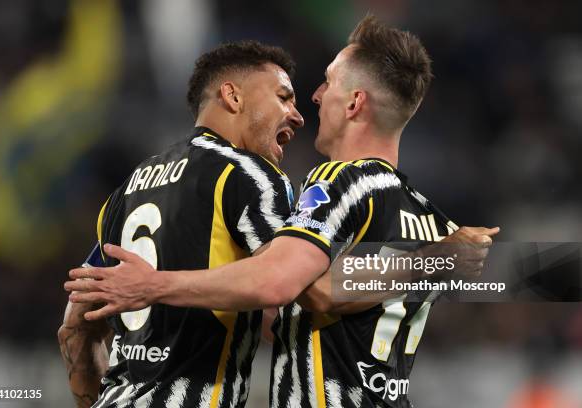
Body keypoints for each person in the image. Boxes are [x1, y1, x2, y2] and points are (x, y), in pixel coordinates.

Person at [67, 16, 499, 407]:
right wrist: (439, 261)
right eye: (283, 95)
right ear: (232, 96)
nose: (308, 101)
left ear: (354, 105)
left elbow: (296, 286)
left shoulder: (337, 181)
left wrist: (153, 289)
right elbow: (300, 301)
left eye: (325, 83)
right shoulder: (435, 220)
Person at [58, 40, 304, 408]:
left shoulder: (125, 192)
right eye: (284, 97)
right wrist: (402, 269)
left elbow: (76, 327)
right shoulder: (249, 175)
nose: (297, 115)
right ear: (233, 97)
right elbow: (286, 292)